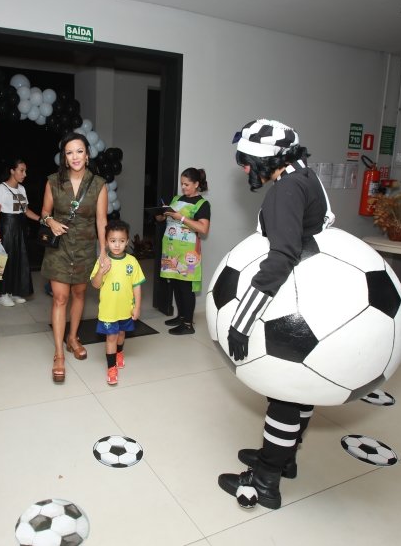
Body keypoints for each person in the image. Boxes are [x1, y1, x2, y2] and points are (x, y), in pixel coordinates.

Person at [217, 119, 333, 511]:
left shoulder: (285, 191)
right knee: (297, 390)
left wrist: (243, 320)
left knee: (287, 390)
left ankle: (266, 478)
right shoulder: (305, 176)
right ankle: (284, 457)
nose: (244, 169)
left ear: (267, 159)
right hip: (310, 297)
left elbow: (282, 256)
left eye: (248, 162)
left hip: (289, 301)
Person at [40, 132, 108, 382]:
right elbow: (43, 213)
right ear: (64, 158)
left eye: (79, 151)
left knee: (80, 294)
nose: (75, 156)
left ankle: (72, 338)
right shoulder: (52, 182)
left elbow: (102, 221)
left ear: (87, 155)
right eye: (69, 152)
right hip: (59, 248)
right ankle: (58, 353)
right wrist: (51, 222)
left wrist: (103, 252)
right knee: (60, 297)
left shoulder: (99, 184)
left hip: (85, 248)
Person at [156, 168, 211, 335]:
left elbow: (203, 228)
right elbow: (165, 218)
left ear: (196, 184)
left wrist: (181, 217)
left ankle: (188, 324)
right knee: (175, 284)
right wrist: (161, 214)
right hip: (171, 250)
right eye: (182, 184)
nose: (183, 187)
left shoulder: (203, 204)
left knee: (186, 287)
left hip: (189, 254)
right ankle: (181, 317)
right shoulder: (176, 199)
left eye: (187, 184)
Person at [90, 220, 146, 385]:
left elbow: (137, 286)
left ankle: (119, 353)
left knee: (122, 334)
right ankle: (111, 368)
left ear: (127, 242)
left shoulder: (132, 262)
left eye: (121, 241)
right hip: (108, 310)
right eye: (113, 241)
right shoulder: (103, 261)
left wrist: (137, 307)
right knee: (111, 337)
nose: (117, 245)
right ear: (106, 242)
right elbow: (95, 284)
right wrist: (101, 271)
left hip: (125, 309)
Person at [0, 158, 41, 306]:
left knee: (19, 258)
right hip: (7, 226)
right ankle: (2, 294)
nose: (24, 174)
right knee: (4, 260)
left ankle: (13, 292)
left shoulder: (22, 189)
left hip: (20, 226)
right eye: (21, 170)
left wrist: (42, 219)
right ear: (12, 171)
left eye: (25, 171)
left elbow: (25, 211)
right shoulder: (0, 188)